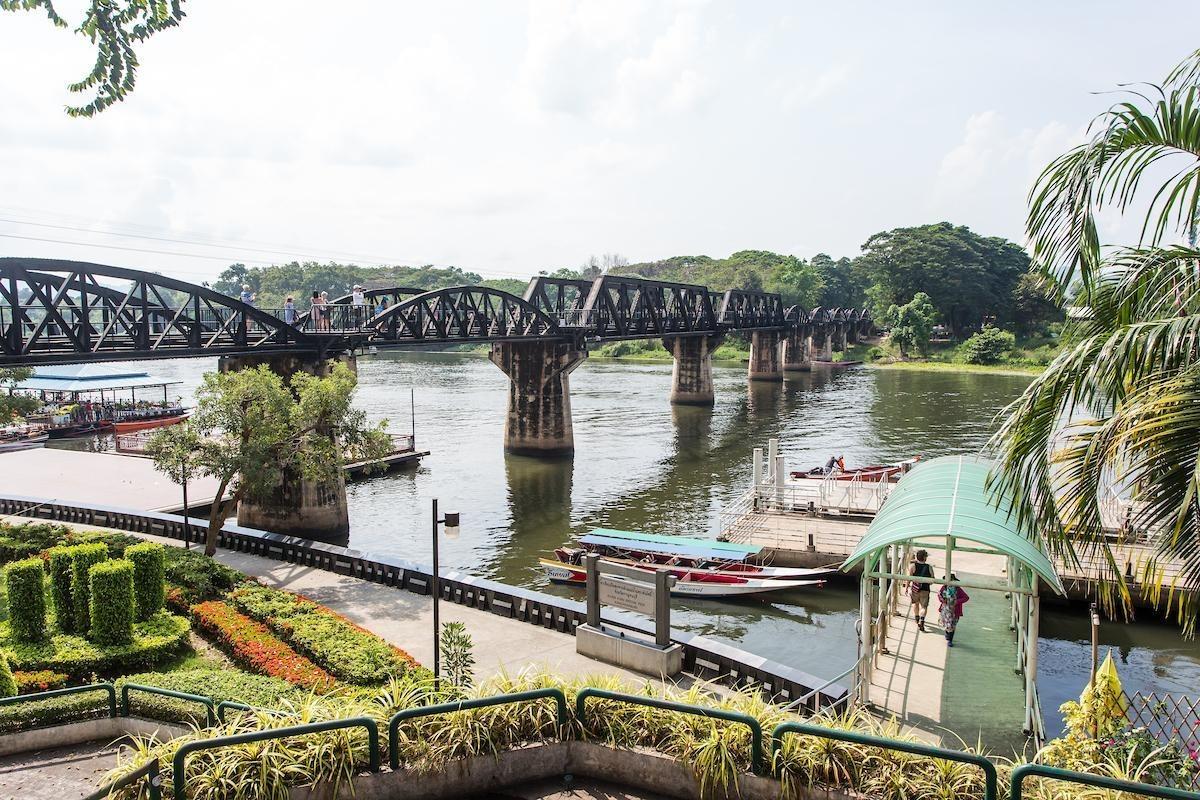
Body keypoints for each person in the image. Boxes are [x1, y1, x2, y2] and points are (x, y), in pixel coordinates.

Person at [938, 574, 970, 646]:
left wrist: (956, 601)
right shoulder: (944, 587)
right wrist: (942, 600)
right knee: (947, 624)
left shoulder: (958, 589)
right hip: (946, 610)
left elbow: (966, 597)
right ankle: (947, 633)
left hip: (955, 611)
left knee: (952, 625)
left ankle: (950, 640)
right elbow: (939, 595)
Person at [909, 549, 934, 632]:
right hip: (925, 589)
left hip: (915, 589)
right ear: (925, 558)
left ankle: (917, 618)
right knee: (924, 606)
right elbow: (932, 579)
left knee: (915, 603)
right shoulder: (929, 567)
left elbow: (909, 577)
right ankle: (922, 620)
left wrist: (906, 587)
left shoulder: (913, 566)